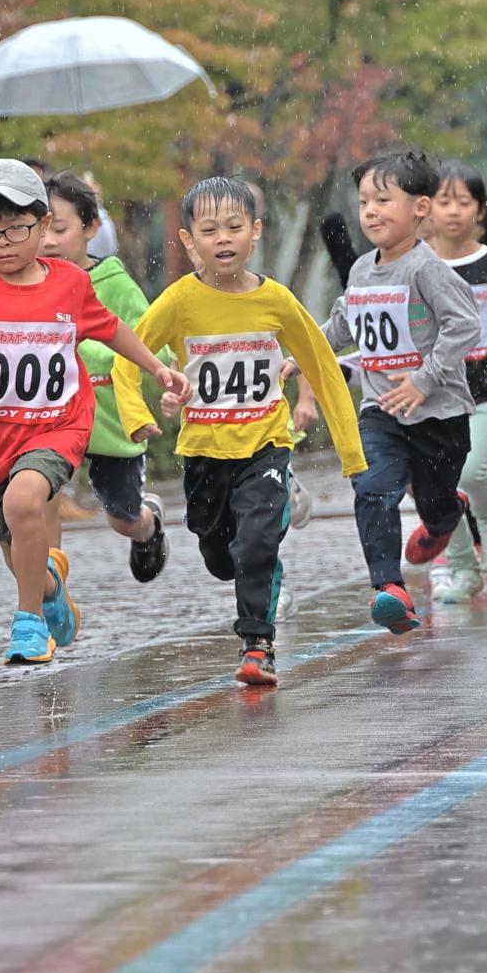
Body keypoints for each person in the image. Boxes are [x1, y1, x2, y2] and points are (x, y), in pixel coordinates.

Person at [0, 159, 189, 666]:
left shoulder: (70, 285)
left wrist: (156, 369)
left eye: (16, 228)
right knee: (14, 538)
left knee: (25, 500)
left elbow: (112, 330)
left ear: (40, 223)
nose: (4, 242)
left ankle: (29, 622)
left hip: (59, 425)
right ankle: (49, 588)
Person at [112, 177, 365, 686]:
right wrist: (139, 416)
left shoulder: (277, 301)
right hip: (205, 450)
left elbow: (320, 363)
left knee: (255, 544)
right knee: (220, 556)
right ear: (188, 242)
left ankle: (257, 645)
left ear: (255, 233)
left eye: (234, 227)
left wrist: (351, 453)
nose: (222, 238)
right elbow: (128, 356)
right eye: (208, 229)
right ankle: (260, 544)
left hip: (266, 443)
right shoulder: (180, 300)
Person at [321, 146, 482, 636]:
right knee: (372, 488)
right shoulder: (361, 270)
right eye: (364, 201)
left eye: (383, 200)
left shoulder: (426, 268)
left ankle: (447, 513)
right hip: (380, 409)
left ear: (420, 208)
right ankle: (389, 588)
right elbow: (342, 325)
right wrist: (299, 352)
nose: (370, 211)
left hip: (439, 414)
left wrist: (424, 379)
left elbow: (465, 325)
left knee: (434, 503)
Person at [40, 172, 170, 581]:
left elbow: (155, 345)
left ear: (91, 227)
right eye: (38, 228)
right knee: (41, 492)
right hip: (51, 417)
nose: (48, 241)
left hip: (109, 420)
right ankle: (47, 585)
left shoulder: (112, 282)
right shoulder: (27, 283)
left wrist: (86, 349)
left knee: (121, 517)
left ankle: (147, 525)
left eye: (59, 228)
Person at [424, 160, 487, 602]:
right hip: (432, 392)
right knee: (438, 484)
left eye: (464, 201)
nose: (454, 211)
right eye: (445, 201)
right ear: (427, 209)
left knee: (468, 469)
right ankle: (462, 568)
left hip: (486, 389)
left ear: (481, 210)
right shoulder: (416, 265)